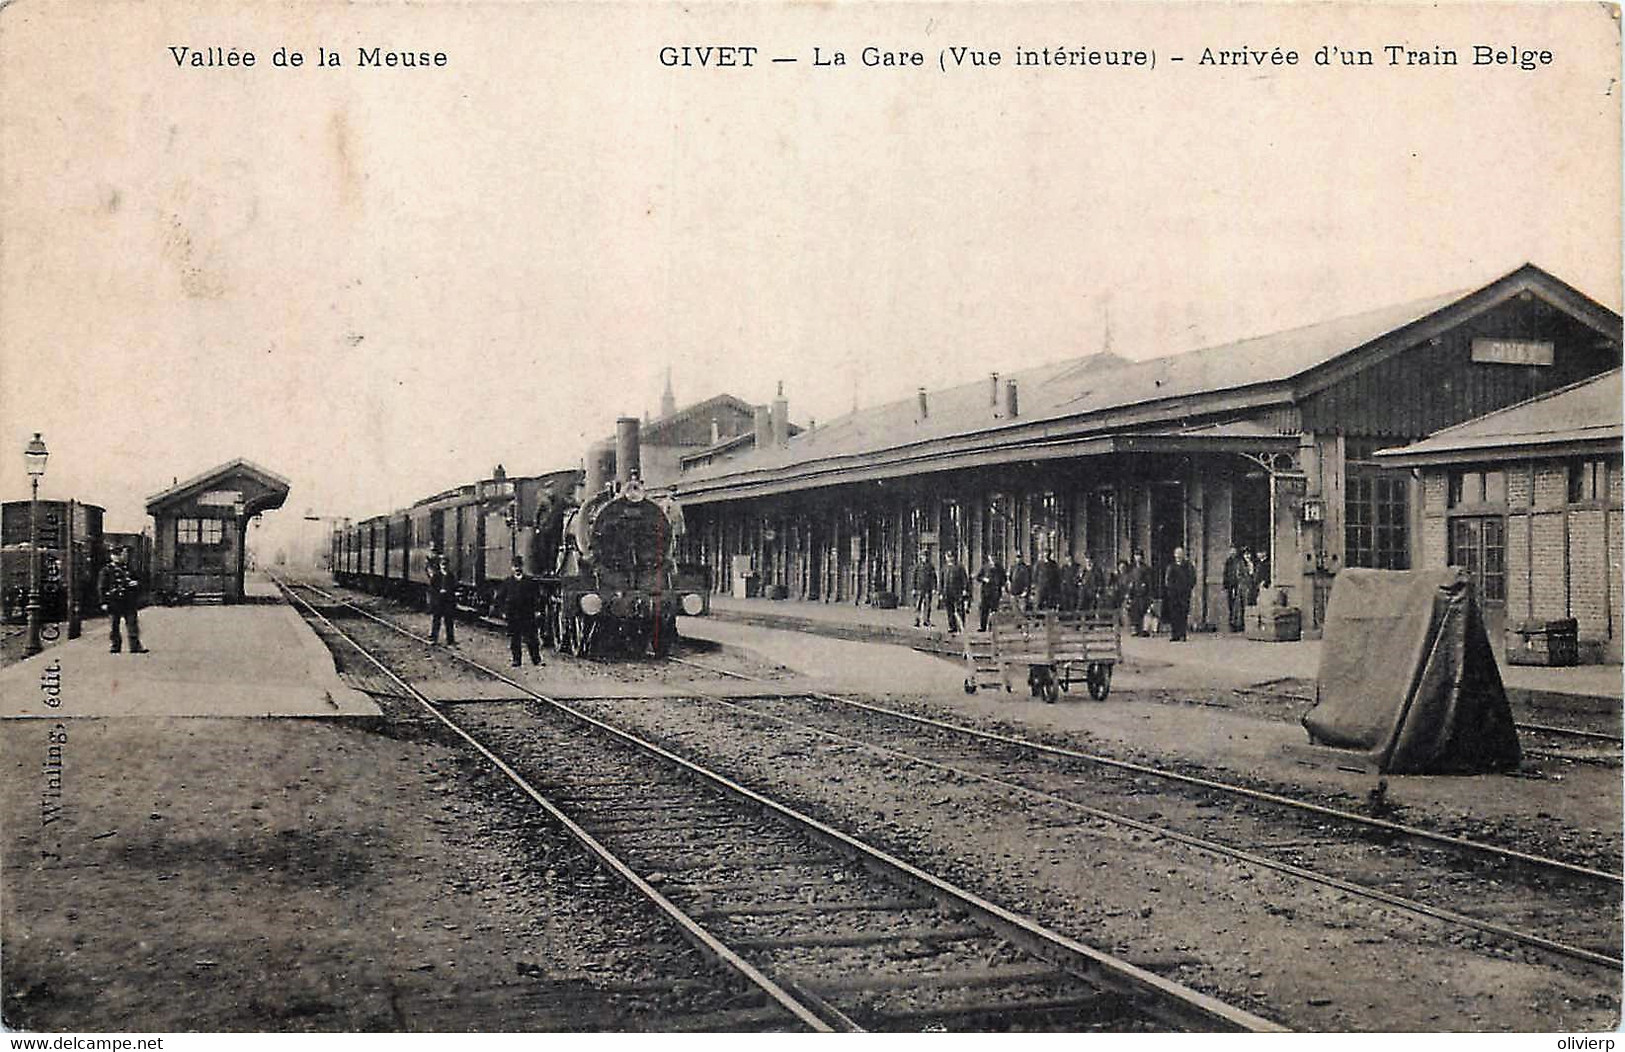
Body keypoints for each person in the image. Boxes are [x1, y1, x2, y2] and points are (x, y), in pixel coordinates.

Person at [97, 546, 146, 654]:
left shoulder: (129, 569)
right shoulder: (107, 570)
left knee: (132, 625)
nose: (125, 557)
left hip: (129, 601)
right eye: (123, 555)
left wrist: (136, 584)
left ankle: (135, 646)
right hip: (114, 601)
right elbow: (102, 587)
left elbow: (139, 580)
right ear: (114, 556)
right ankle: (115, 646)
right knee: (114, 625)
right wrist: (103, 602)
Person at [500, 556, 543, 667]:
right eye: (515, 566)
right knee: (515, 639)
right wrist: (503, 611)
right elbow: (500, 597)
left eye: (519, 566)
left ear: (522, 567)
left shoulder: (529, 582)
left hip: (527, 613)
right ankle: (516, 660)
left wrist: (537, 610)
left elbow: (536, 597)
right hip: (513, 614)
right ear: (512, 568)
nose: (517, 569)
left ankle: (536, 659)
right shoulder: (507, 582)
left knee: (532, 638)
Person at [1163, 546, 1198, 642]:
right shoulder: (1171, 567)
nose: (1178, 556)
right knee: (1174, 614)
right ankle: (1175, 634)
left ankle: (1183, 634)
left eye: (1180, 554)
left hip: (1184, 594)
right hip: (1174, 595)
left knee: (1183, 614)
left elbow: (1193, 578)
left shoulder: (1188, 566)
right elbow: (1167, 580)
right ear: (1174, 555)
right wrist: (1171, 590)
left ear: (1183, 555)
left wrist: (1188, 588)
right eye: (1177, 554)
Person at [428, 552, 457, 646]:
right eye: (442, 564)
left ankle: (450, 640)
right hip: (438, 601)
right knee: (436, 621)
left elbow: (454, 588)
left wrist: (449, 593)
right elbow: (432, 589)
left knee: (449, 621)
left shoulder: (451, 576)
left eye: (446, 564)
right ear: (440, 565)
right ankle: (433, 638)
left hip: (448, 601)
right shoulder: (436, 576)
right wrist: (437, 594)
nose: (444, 566)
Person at [940, 552, 969, 634]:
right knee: (949, 610)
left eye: (950, 557)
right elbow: (942, 581)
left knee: (960, 609)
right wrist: (941, 592)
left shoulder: (959, 567)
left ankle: (961, 626)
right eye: (947, 557)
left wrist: (964, 589)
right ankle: (952, 626)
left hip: (957, 591)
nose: (949, 559)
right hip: (947, 592)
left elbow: (964, 579)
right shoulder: (944, 568)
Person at [976, 555, 1006, 632]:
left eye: (994, 559)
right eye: (991, 559)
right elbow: (978, 577)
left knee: (994, 611)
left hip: (995, 592)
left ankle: (992, 627)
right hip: (986, 592)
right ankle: (983, 627)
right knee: (984, 610)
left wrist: (1000, 584)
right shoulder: (985, 567)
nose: (993, 561)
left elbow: (1004, 579)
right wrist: (984, 579)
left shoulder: (1000, 568)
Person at [1125, 551, 1152, 636]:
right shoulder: (1132, 568)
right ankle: (1136, 629)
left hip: (1143, 593)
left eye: (1139, 555)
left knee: (1143, 610)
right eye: (1136, 555)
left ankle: (1144, 630)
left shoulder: (1146, 569)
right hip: (1134, 593)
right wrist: (1129, 592)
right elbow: (1130, 580)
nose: (1138, 557)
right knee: (1134, 611)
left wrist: (1146, 588)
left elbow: (1149, 581)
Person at [1222, 546, 1247, 632]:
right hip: (1230, 585)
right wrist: (1225, 584)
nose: (1232, 552)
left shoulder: (1239, 561)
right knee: (1231, 605)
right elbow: (1225, 573)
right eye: (1231, 551)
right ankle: (1232, 624)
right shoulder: (1228, 562)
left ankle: (1238, 624)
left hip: (1238, 586)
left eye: (1234, 551)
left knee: (1238, 605)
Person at [911, 551, 937, 628]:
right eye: (923, 556)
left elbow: (934, 578)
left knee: (928, 605)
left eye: (926, 556)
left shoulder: (930, 566)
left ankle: (926, 620)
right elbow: (914, 578)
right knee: (918, 605)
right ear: (920, 557)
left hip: (928, 588)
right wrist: (914, 588)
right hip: (919, 588)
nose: (924, 558)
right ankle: (917, 621)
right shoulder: (918, 566)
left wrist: (934, 588)